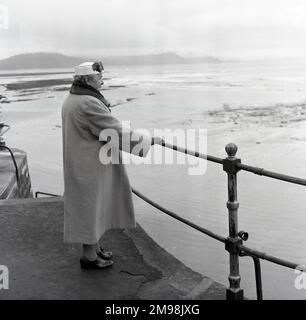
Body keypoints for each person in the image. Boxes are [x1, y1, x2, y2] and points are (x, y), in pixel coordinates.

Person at [61, 61, 162, 269]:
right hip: (90, 166)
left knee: (91, 207)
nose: (102, 80)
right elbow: (113, 131)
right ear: (88, 80)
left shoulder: (73, 98)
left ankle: (93, 248)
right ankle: (89, 257)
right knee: (90, 208)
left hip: (83, 162)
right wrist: (147, 140)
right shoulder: (88, 103)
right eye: (98, 77)